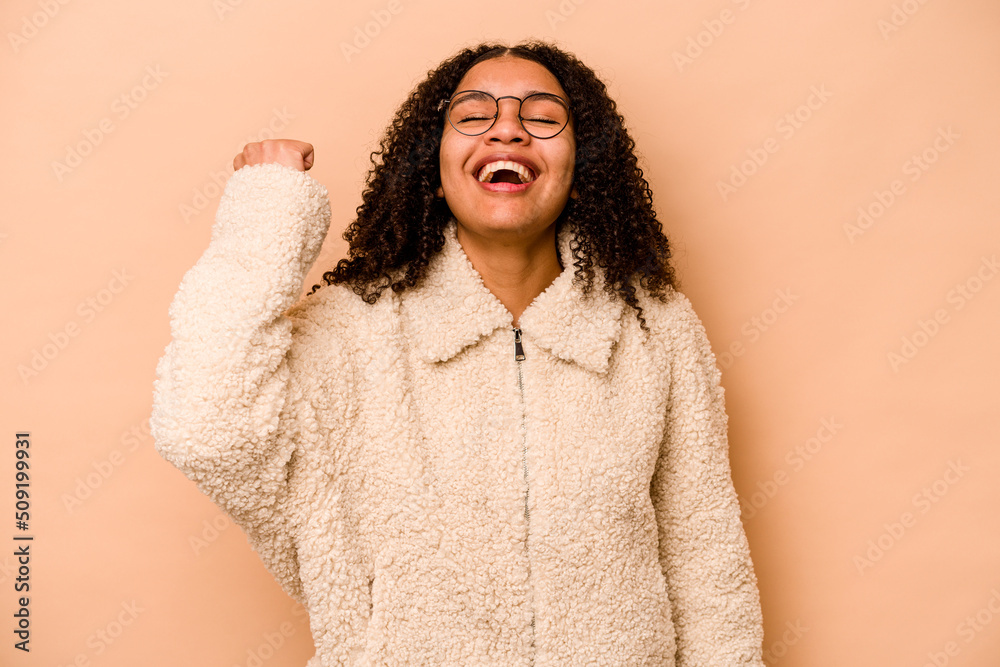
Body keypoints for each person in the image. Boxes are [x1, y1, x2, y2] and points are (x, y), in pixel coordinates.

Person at [151, 40, 766, 666]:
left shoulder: (653, 326)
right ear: (434, 170)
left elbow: (706, 558)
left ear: (583, 170)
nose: (508, 130)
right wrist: (268, 207)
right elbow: (206, 421)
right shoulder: (354, 329)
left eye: (543, 116)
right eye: (473, 115)